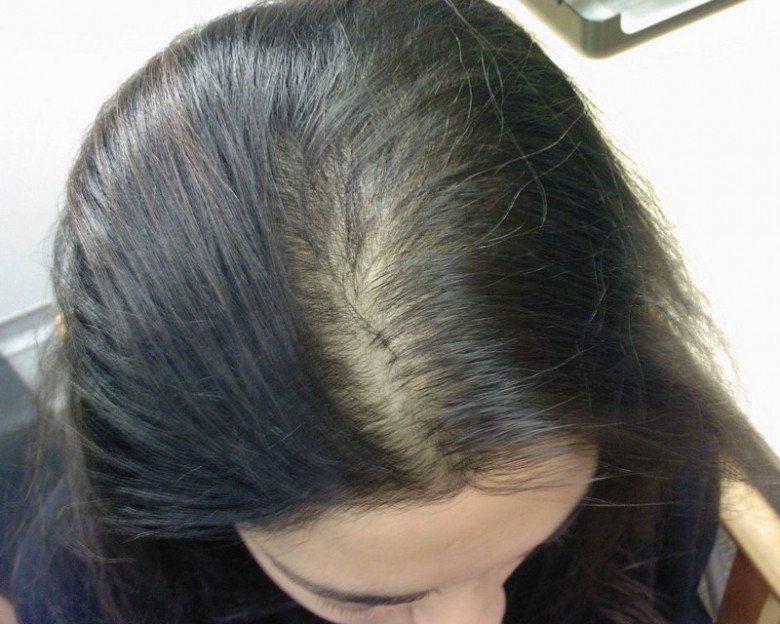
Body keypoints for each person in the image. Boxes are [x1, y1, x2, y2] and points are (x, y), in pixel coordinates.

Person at [1, 0, 777, 622]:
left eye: (540, 539)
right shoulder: (89, 590)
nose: (479, 618)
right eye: (367, 603)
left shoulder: (648, 460)